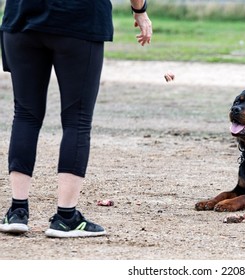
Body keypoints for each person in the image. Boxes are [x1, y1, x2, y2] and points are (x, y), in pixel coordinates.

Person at [0, 0, 152, 238]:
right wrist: (140, 10)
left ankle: (17, 211)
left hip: (22, 18)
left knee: (25, 115)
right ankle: (66, 217)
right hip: (79, 19)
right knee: (77, 119)